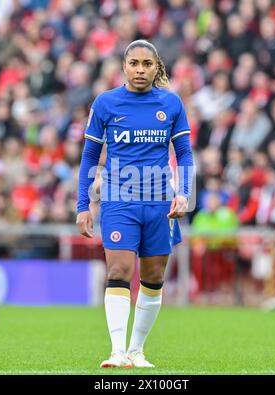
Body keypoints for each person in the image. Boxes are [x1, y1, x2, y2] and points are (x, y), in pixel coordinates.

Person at [76, 40, 193, 368]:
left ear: (157, 68)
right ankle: (116, 351)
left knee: (154, 277)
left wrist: (184, 193)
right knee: (119, 270)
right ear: (124, 66)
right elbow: (88, 157)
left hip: (159, 203)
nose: (140, 69)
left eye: (146, 64)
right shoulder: (105, 103)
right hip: (118, 200)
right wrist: (82, 205)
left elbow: (184, 153)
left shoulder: (171, 104)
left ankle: (136, 350)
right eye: (134, 63)